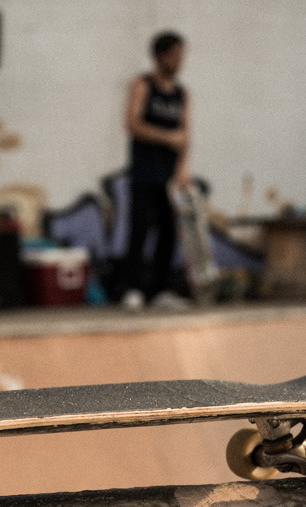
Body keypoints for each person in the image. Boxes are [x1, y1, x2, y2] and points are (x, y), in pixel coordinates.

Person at [121, 31, 191, 311]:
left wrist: (183, 168)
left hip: (169, 176)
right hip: (143, 172)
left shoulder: (183, 94)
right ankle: (132, 288)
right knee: (139, 230)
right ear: (161, 56)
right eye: (175, 56)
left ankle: (160, 289)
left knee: (168, 232)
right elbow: (132, 124)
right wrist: (166, 137)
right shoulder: (143, 85)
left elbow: (185, 134)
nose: (179, 62)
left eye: (181, 56)